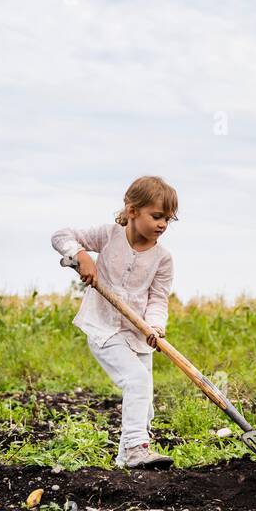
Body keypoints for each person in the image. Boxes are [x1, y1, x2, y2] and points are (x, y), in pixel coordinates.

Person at [51, 175, 178, 470]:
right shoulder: (108, 236)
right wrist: (81, 255)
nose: (162, 225)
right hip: (104, 328)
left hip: (139, 335)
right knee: (136, 380)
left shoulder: (163, 259)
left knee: (144, 401)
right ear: (132, 210)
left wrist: (155, 327)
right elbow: (60, 235)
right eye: (157, 216)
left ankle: (126, 459)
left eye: (168, 220)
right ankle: (136, 449)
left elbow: (159, 299)